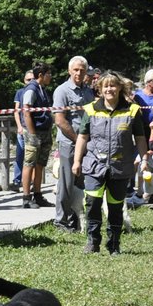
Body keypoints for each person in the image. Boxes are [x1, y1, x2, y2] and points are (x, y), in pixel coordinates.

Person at [72, 71, 150, 253]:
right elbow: (82, 137)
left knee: (115, 207)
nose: (109, 89)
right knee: (92, 203)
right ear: (99, 89)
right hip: (94, 165)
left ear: (120, 87)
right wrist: (77, 161)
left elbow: (140, 138)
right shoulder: (91, 109)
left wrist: (144, 158)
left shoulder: (132, 110)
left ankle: (114, 243)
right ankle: (93, 241)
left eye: (113, 85)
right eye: (105, 86)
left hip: (120, 166)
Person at [51, 56, 94, 233]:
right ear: (69, 71)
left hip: (86, 144)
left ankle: (76, 220)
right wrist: (78, 140)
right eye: (75, 70)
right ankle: (61, 221)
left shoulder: (88, 92)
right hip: (69, 143)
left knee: (82, 184)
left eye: (82, 70)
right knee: (66, 183)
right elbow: (60, 120)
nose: (79, 73)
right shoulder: (62, 91)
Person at [16, 63, 55, 209]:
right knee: (29, 163)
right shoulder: (31, 90)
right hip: (34, 133)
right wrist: (32, 133)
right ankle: (26, 197)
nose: (50, 77)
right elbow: (26, 112)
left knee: (40, 164)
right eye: (48, 74)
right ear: (41, 75)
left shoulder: (42, 89)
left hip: (45, 132)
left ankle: (38, 195)